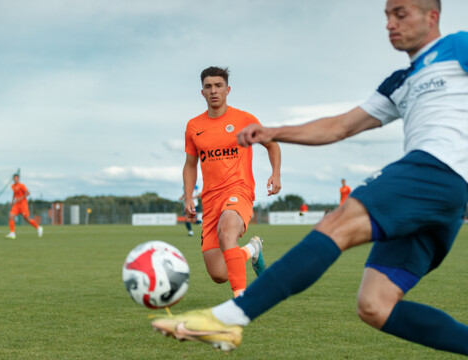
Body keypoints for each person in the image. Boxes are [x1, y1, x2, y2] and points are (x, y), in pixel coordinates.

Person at [152, 0, 468, 355]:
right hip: (442, 199)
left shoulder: (457, 47)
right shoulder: (399, 82)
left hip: (436, 170)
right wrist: (273, 132)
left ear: (433, 16)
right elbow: (339, 126)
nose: (389, 24)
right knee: (375, 305)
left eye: (400, 13)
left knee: (337, 222)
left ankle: (231, 316)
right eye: (386, 15)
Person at [180, 66, 281, 298]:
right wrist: (187, 196)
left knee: (227, 231)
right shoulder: (193, 126)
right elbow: (190, 164)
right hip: (210, 199)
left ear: (228, 90)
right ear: (202, 92)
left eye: (218, 86)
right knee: (219, 274)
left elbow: (272, 144)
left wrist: (276, 173)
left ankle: (241, 301)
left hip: (239, 190)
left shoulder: (244, 119)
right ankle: (253, 249)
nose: (214, 91)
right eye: (208, 87)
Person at [6, 174, 43, 239]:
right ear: (13, 179)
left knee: (27, 219)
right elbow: (14, 194)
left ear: (18, 179)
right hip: (16, 204)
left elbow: (28, 193)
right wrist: (12, 201)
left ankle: (38, 227)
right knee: (11, 216)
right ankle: (12, 233)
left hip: (23, 204)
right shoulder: (13, 186)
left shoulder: (21, 185)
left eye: (17, 178)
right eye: (14, 178)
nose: (16, 179)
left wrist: (21, 198)